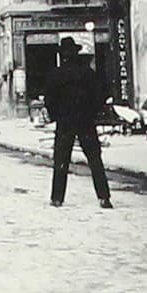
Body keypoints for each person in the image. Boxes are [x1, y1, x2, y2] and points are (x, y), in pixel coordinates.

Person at [46, 37, 112, 209]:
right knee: (95, 160)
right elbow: (100, 95)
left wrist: (57, 116)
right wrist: (92, 113)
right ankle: (104, 197)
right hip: (85, 121)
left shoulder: (56, 74)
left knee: (61, 160)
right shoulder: (88, 73)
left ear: (63, 55)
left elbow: (49, 100)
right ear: (76, 53)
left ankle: (57, 198)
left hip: (65, 122)